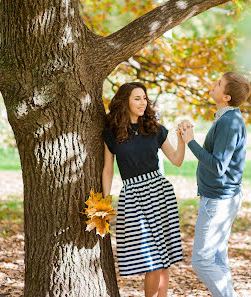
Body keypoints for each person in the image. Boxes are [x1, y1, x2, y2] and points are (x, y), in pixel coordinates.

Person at [101, 82, 185, 297]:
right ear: (125, 101)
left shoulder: (154, 128)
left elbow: (176, 160)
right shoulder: (112, 132)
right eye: (137, 98)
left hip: (159, 193)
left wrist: (184, 140)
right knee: (152, 260)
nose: (142, 102)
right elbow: (108, 170)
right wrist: (105, 202)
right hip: (133, 197)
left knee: (163, 258)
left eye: (144, 98)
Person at [179, 72, 251, 297]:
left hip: (219, 200)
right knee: (218, 257)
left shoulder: (230, 122)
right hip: (220, 197)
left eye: (219, 83)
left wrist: (190, 141)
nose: (213, 84)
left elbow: (218, 165)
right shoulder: (227, 118)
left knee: (201, 260)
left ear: (227, 96)